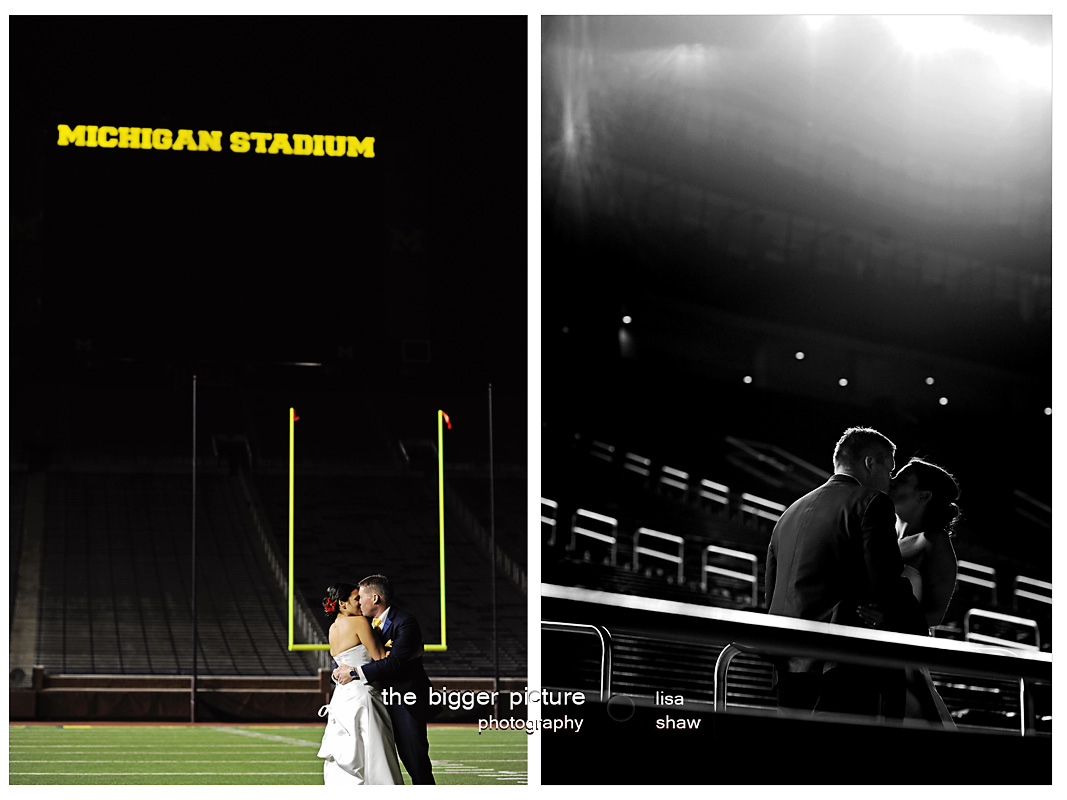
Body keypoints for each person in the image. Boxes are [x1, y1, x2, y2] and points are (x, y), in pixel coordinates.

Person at [765, 426, 928, 719]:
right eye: (889, 470)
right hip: (841, 663)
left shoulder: (788, 513)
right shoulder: (871, 502)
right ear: (870, 463)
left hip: (787, 664)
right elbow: (885, 580)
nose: (890, 482)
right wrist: (917, 623)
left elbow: (772, 590)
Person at [333, 574, 438, 785]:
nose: (358, 602)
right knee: (376, 758)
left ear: (374, 598)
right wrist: (338, 673)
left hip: (404, 700)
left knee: (414, 760)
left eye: (360, 597)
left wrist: (353, 672)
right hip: (375, 700)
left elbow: (393, 664)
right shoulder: (363, 623)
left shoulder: (405, 622)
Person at [887, 457, 961, 728]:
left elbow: (935, 614)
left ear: (924, 495)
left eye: (903, 479)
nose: (892, 481)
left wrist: (887, 619)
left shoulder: (934, 541)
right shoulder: (884, 538)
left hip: (903, 656)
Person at [316, 582, 404, 785]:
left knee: (347, 752)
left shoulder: (332, 628)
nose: (360, 602)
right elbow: (381, 657)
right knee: (375, 753)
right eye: (356, 598)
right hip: (363, 695)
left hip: (342, 697)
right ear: (342, 603)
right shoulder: (359, 623)